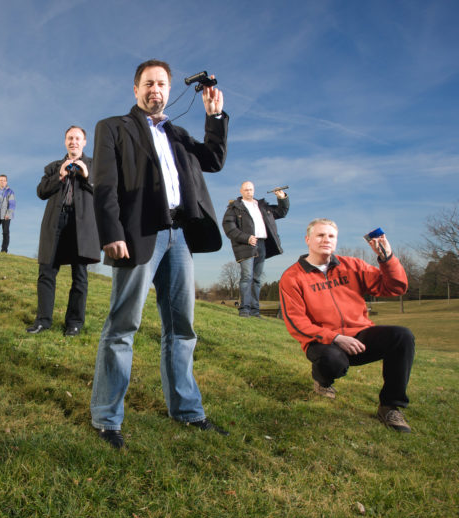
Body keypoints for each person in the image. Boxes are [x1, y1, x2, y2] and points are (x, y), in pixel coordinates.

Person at [89, 59, 229, 449]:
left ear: (169, 90)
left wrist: (214, 118)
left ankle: (186, 411)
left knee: (182, 328)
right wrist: (111, 233)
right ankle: (106, 418)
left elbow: (214, 161)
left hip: (179, 236)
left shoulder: (178, 133)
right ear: (135, 90)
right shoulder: (113, 128)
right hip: (139, 235)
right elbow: (104, 185)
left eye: (162, 84)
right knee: (123, 326)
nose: (156, 89)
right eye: (148, 83)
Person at [279, 219, 415, 432]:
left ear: (336, 241)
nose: (326, 240)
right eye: (320, 235)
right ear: (308, 240)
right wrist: (335, 338)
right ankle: (322, 380)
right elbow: (296, 323)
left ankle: (390, 407)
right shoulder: (292, 277)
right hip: (323, 342)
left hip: (360, 336)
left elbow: (396, 287)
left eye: (331, 236)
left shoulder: (352, 266)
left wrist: (386, 258)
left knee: (402, 336)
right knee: (332, 361)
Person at [27, 126, 99, 336]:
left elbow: (104, 193)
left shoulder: (95, 166)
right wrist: (59, 176)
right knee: (46, 272)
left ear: (84, 142)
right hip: (55, 222)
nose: (73, 142)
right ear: (65, 142)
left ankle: (74, 323)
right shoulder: (53, 167)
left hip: (82, 226)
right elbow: (41, 192)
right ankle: (42, 321)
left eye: (78, 138)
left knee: (80, 275)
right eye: (70, 138)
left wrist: (87, 177)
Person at [222, 181, 289, 317]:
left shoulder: (262, 206)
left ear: (254, 190)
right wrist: (246, 238)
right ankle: (244, 310)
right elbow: (229, 227)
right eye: (246, 189)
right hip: (246, 245)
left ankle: (255, 311)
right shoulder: (234, 208)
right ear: (241, 191)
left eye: (251, 189)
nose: (249, 192)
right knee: (247, 277)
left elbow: (281, 212)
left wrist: (282, 198)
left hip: (262, 244)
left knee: (257, 278)